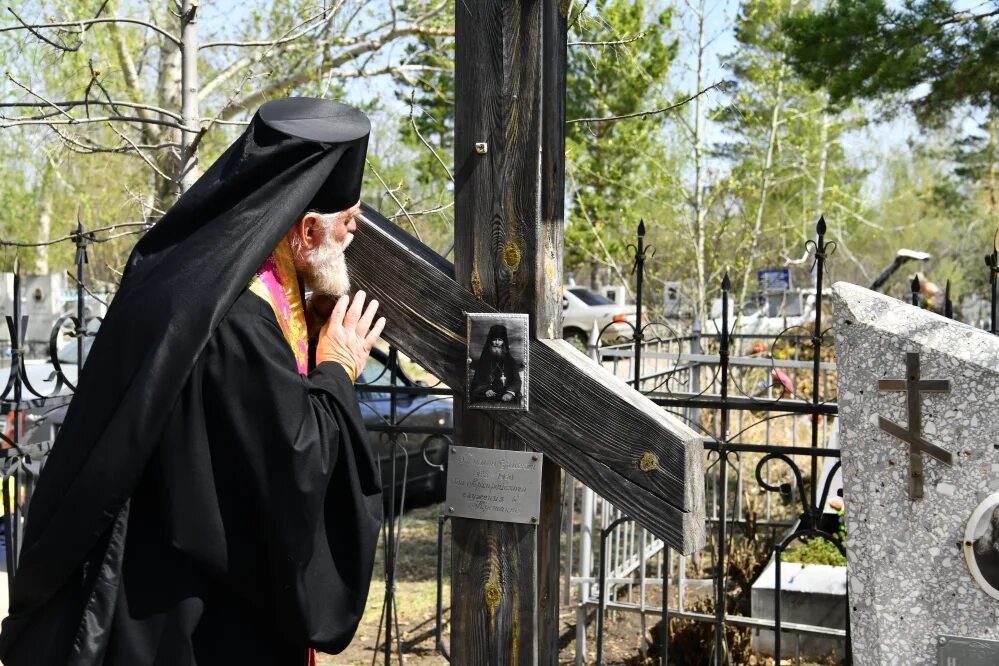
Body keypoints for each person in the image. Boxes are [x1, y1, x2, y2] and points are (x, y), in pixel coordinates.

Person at [0, 98, 386, 665]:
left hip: (147, 576)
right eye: (348, 223)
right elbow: (294, 466)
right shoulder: (244, 321)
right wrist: (337, 369)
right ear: (305, 231)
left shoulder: (194, 265)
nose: (354, 236)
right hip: (189, 618)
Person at [469, 324, 521, 404]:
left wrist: (510, 393)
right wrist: (485, 389)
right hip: (486, 396)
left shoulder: (511, 361)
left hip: (505, 395)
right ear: (490, 341)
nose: (497, 343)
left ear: (504, 342)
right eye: (494, 339)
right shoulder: (483, 361)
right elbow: (477, 380)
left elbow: (516, 381)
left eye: (500, 340)